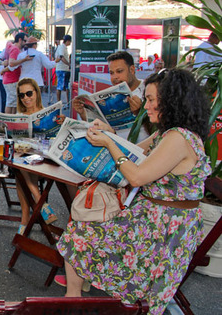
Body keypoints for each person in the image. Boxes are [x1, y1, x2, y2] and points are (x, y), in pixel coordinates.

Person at [56, 68, 211, 315]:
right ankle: (73, 297)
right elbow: (133, 154)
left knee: (79, 234)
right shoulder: (169, 134)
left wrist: (108, 143)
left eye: (151, 99)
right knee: (78, 230)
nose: (146, 106)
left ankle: (74, 298)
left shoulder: (178, 138)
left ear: (170, 100)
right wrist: (110, 135)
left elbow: (136, 175)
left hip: (165, 230)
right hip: (155, 218)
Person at [14, 78, 59, 234]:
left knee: (20, 169)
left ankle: (25, 218)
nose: (26, 98)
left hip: (44, 157)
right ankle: (39, 199)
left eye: (29, 93)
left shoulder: (47, 113)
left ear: (36, 93)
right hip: (26, 158)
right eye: (22, 95)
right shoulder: (20, 114)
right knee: (20, 162)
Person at [72, 50, 148, 142]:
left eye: (119, 71)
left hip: (141, 149)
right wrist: (82, 113)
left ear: (132, 70)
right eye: (111, 73)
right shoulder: (110, 95)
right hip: (113, 145)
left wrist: (141, 113)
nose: (115, 77)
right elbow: (98, 125)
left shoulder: (148, 89)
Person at [3, 32, 30, 114]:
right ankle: (7, 121)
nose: (26, 43)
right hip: (11, 79)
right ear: (20, 40)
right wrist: (24, 60)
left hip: (11, 79)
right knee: (11, 102)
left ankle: (12, 121)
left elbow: (7, 62)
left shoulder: (11, 47)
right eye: (25, 41)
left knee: (14, 103)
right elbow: (11, 63)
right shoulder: (15, 49)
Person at [55, 34, 72, 104]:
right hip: (62, 69)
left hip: (64, 69)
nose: (70, 43)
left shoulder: (63, 48)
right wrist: (69, 64)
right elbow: (61, 57)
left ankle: (68, 102)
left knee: (66, 86)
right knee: (60, 86)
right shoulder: (62, 48)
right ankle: (59, 103)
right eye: (70, 42)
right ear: (67, 41)